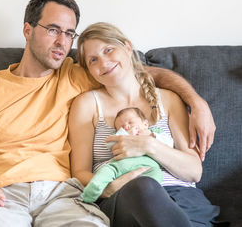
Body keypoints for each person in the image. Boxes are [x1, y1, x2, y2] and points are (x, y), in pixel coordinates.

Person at [0, 0, 215, 226]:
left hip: (63, 196)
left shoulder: (77, 74)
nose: (62, 42)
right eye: (53, 30)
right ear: (27, 30)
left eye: (69, 34)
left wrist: (196, 101)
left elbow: (142, 73)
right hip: (2, 196)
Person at [69, 22, 221, 226]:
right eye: (93, 60)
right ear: (88, 70)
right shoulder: (87, 104)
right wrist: (107, 188)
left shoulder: (168, 100)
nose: (103, 63)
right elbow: (79, 172)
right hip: (124, 198)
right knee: (144, 187)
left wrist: (148, 145)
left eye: (108, 50)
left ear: (127, 47)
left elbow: (194, 171)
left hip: (181, 198)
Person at [81, 107, 172, 203]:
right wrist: (124, 134)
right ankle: (94, 188)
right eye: (121, 127)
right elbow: (110, 144)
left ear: (145, 124)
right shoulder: (120, 135)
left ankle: (152, 196)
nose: (126, 126)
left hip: (147, 167)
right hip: (120, 166)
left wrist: (151, 136)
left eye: (130, 122)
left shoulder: (155, 132)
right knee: (107, 170)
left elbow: (168, 145)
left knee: (156, 175)